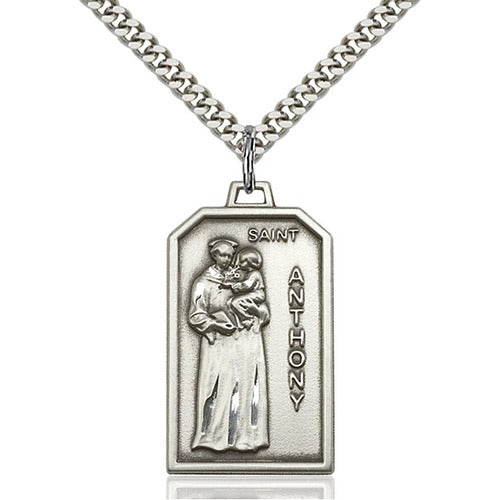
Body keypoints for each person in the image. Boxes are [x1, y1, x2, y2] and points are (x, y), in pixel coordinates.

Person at [188, 238, 270, 452]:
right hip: (219, 346)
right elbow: (195, 315)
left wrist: (256, 313)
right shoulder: (203, 283)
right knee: (218, 389)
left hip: (246, 344)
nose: (227, 259)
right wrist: (215, 325)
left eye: (229, 256)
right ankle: (213, 439)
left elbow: (259, 305)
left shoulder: (242, 276)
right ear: (214, 256)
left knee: (245, 388)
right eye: (222, 255)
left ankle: (246, 438)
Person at [222, 248, 270, 331]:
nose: (239, 265)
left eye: (241, 262)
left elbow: (247, 285)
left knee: (235, 302)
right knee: (230, 303)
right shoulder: (249, 274)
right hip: (252, 294)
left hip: (257, 294)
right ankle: (240, 322)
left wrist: (234, 285)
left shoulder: (255, 274)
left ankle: (248, 319)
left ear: (249, 263)